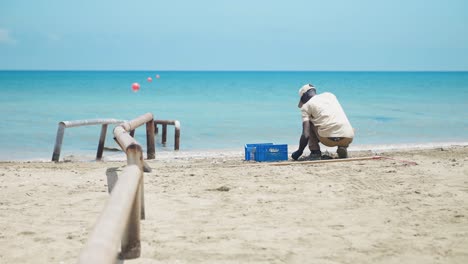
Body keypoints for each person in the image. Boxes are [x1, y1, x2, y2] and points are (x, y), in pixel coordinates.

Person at [292, 84, 354, 160]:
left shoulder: (306, 106)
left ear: (305, 95)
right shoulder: (330, 95)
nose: (304, 102)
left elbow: (306, 135)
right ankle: (342, 146)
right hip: (348, 137)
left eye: (302, 99)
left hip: (328, 139)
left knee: (309, 123)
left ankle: (315, 152)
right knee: (335, 118)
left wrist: (299, 151)